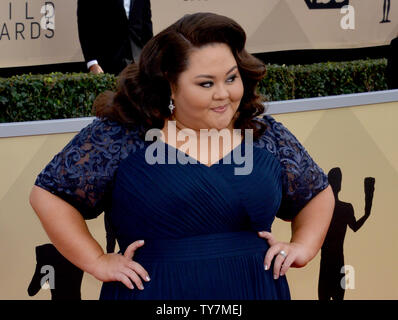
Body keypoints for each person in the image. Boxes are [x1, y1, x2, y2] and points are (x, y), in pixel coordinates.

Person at [30, 12, 334, 300]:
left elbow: (317, 194)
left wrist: (302, 248)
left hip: (254, 287)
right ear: (170, 84)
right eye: (206, 83)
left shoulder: (265, 134)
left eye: (231, 78)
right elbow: (49, 195)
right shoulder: (122, 135)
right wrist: (96, 260)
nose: (223, 94)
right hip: (156, 291)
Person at [77, 0, 153, 75]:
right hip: (106, 62)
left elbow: (146, 25)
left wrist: (150, 56)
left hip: (138, 61)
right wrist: (92, 63)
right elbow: (85, 28)